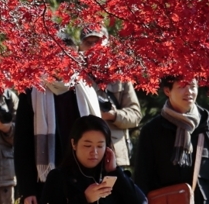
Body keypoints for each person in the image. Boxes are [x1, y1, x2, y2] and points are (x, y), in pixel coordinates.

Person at [134, 78, 209, 204]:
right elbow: (141, 179)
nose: (189, 92)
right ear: (167, 91)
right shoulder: (152, 130)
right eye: (182, 87)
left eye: (193, 86)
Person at [15, 70, 102, 204]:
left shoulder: (84, 86)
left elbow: (99, 133)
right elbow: (22, 144)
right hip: (46, 178)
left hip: (83, 175)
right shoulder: (33, 90)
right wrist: (28, 190)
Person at [41, 115, 147, 204]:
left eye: (100, 146)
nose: (94, 152)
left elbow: (141, 202)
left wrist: (115, 171)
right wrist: (84, 199)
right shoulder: (58, 177)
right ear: (74, 144)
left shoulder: (112, 175)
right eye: (87, 146)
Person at [78, 28, 142, 170]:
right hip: (83, 155)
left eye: (98, 42)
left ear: (107, 43)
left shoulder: (120, 76)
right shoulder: (74, 75)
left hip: (116, 155)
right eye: (88, 42)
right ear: (81, 46)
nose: (94, 47)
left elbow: (136, 115)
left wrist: (113, 115)